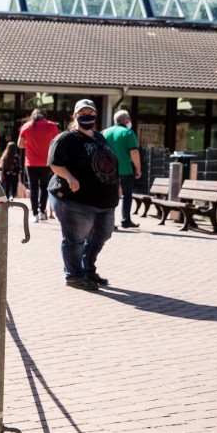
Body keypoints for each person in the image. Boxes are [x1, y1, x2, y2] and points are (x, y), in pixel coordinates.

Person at [48, 99, 121, 291]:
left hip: (105, 200)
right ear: (75, 116)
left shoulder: (100, 138)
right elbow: (54, 163)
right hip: (77, 200)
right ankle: (74, 275)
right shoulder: (66, 138)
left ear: (96, 116)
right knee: (75, 238)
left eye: (90, 113)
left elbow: (110, 162)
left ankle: (87, 269)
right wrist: (70, 177)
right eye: (82, 113)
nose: (87, 116)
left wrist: (117, 183)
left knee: (102, 235)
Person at [102, 109, 142, 228]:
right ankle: (125, 220)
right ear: (124, 120)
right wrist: (138, 168)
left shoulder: (105, 132)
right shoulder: (128, 133)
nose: (130, 120)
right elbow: (134, 152)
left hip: (108, 170)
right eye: (128, 118)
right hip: (124, 169)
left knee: (109, 195)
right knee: (126, 195)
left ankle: (109, 222)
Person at [17, 108, 59, 221]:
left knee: (33, 187)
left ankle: (34, 214)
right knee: (44, 187)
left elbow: (20, 144)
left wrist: (30, 145)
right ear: (45, 116)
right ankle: (42, 212)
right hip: (46, 162)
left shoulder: (26, 126)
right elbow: (56, 142)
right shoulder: (51, 126)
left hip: (31, 162)